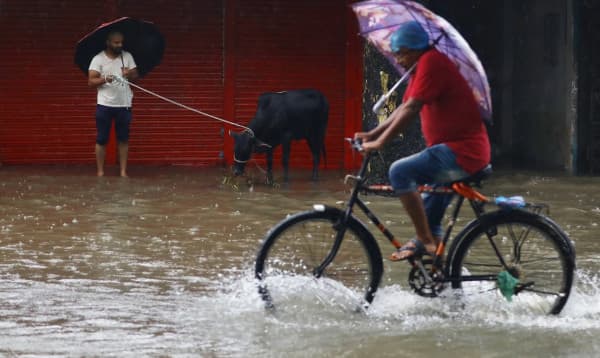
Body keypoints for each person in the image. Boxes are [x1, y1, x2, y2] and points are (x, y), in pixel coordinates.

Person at [354, 21, 491, 260]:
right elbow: (403, 108)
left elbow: (412, 108)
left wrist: (380, 144)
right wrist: (372, 134)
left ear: (416, 49)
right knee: (430, 218)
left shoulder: (432, 62)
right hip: (452, 152)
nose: (398, 60)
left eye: (402, 53)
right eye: (396, 54)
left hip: (461, 154)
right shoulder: (420, 69)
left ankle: (424, 242)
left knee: (399, 172)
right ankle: (439, 276)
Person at [87, 30, 139, 177]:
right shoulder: (98, 59)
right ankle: (100, 172)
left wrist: (129, 73)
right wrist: (105, 79)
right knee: (102, 138)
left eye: (121, 42)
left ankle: (123, 172)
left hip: (124, 105)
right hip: (105, 105)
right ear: (108, 43)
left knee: (123, 139)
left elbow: (136, 76)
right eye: (116, 42)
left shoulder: (127, 56)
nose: (120, 45)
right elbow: (91, 81)